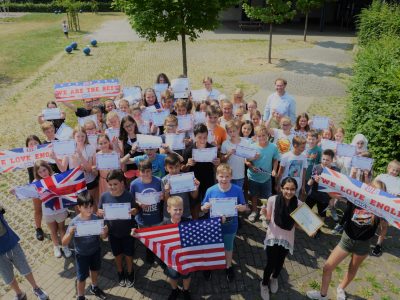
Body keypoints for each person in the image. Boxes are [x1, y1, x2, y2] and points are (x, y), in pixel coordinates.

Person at [306, 179, 386, 300]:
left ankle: (341, 289)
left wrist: (379, 243)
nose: (374, 194)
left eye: (378, 193)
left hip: (363, 245)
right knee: (328, 266)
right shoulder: (356, 199)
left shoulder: (381, 211)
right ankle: (323, 295)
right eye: (373, 190)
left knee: (352, 269)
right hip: (347, 239)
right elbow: (332, 193)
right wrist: (322, 181)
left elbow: (384, 227)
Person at [201, 164, 247, 282]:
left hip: (231, 225)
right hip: (213, 226)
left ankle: (228, 266)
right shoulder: (210, 190)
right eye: (221, 176)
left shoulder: (237, 190)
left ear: (231, 177)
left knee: (228, 247)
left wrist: (241, 208)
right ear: (217, 176)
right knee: (212, 246)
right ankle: (209, 266)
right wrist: (205, 207)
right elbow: (203, 207)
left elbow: (244, 206)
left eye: (227, 176)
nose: (224, 179)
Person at [259, 177, 302, 300]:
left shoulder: (299, 204)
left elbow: (298, 225)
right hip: (273, 235)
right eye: (286, 189)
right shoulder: (272, 199)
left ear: (296, 190)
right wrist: (263, 213)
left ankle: (275, 278)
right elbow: (268, 218)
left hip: (287, 237)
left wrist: (309, 227)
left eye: (292, 189)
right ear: (281, 188)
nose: (289, 192)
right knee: (271, 263)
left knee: (280, 261)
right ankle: (264, 284)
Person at [62, 193, 108, 300]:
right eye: (85, 207)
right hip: (82, 255)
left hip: (95, 251)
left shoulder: (96, 219)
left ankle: (94, 287)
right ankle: (81, 296)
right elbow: (64, 243)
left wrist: (105, 232)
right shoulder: (74, 222)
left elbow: (103, 237)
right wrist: (70, 233)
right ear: (79, 208)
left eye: (91, 206)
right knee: (81, 277)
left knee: (95, 270)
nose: (89, 209)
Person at [98, 170, 138, 287]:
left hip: (127, 231)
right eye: (110, 184)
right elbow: (100, 212)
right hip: (113, 232)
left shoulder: (128, 195)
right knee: (117, 254)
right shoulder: (104, 196)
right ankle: (120, 272)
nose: (112, 186)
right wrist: (99, 213)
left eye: (115, 184)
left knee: (129, 254)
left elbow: (135, 210)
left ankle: (130, 272)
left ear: (122, 183)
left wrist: (135, 211)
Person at [0, 205, 49, 300]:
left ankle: (36, 288)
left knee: (24, 268)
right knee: (8, 276)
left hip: (11, 244)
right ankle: (19, 294)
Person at [32, 160, 72, 258]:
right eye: (40, 172)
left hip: (60, 209)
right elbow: (27, 192)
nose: (43, 173)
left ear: (48, 168)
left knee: (61, 229)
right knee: (53, 231)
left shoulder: (57, 177)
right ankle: (56, 246)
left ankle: (65, 246)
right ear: (37, 173)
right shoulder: (36, 183)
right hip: (48, 211)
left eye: (44, 170)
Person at [182, 124, 220, 219]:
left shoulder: (212, 149)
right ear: (194, 137)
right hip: (194, 180)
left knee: (209, 201)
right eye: (199, 137)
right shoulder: (188, 150)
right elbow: (182, 168)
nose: (202, 140)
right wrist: (188, 164)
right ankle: (195, 222)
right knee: (194, 202)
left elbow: (217, 168)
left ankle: (210, 221)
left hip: (208, 178)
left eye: (205, 137)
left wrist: (217, 164)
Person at [130, 160, 163, 264]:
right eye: (142, 171)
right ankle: (149, 252)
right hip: (142, 217)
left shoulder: (158, 181)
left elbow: (164, 196)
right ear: (139, 172)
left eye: (148, 171)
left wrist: (163, 196)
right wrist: (138, 203)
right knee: (146, 237)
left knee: (157, 236)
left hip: (157, 216)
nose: (145, 174)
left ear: (152, 170)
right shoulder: (134, 184)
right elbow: (131, 199)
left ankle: (160, 254)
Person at [58, 126, 98, 210]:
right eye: (78, 136)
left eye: (82, 136)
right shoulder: (68, 148)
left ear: (85, 136)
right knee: (78, 206)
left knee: (91, 204)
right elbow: (63, 169)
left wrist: (80, 156)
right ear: (74, 137)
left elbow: (89, 169)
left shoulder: (90, 148)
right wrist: (55, 158)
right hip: (76, 182)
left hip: (89, 181)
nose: (80, 138)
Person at [245, 125, 279, 223]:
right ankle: (254, 211)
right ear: (255, 136)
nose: (262, 138)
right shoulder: (252, 147)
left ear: (268, 135)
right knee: (254, 195)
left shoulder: (273, 147)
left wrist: (274, 170)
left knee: (266, 197)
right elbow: (247, 161)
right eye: (259, 136)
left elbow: (276, 159)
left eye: (264, 135)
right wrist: (252, 166)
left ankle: (263, 214)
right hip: (253, 177)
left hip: (266, 177)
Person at [371, 159, 400, 256]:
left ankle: (378, 244)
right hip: (376, 204)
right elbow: (373, 185)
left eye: (397, 171)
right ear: (388, 168)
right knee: (371, 221)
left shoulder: (399, 181)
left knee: (384, 225)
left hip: (388, 207)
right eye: (393, 170)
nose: (394, 172)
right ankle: (366, 236)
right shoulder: (381, 177)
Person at [305, 149, 339, 227]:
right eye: (323, 159)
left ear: (332, 160)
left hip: (324, 197)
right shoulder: (316, 167)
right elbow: (310, 182)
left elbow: (335, 187)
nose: (325, 161)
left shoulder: (335, 171)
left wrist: (332, 199)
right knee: (306, 208)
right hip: (313, 194)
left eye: (327, 160)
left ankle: (318, 228)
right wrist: (313, 179)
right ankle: (303, 223)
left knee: (322, 213)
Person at [162, 153, 199, 220]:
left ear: (180, 166)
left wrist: (196, 188)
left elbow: (194, 196)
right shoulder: (164, 180)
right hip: (169, 215)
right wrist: (167, 192)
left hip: (185, 213)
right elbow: (166, 201)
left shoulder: (186, 177)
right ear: (166, 168)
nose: (174, 170)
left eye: (176, 166)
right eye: (171, 167)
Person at [25, 135, 45, 241]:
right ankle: (38, 228)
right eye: (31, 144)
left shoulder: (46, 154)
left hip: (48, 183)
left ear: (39, 143)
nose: (33, 145)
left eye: (35, 143)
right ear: (27, 147)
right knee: (38, 209)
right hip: (35, 185)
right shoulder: (27, 158)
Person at [221, 120, 249, 189]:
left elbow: (249, 157)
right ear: (227, 132)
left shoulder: (245, 142)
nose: (232, 133)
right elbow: (222, 160)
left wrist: (254, 156)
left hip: (240, 175)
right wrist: (228, 154)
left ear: (238, 130)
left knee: (238, 195)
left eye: (234, 131)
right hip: (227, 176)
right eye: (230, 132)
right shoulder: (225, 143)